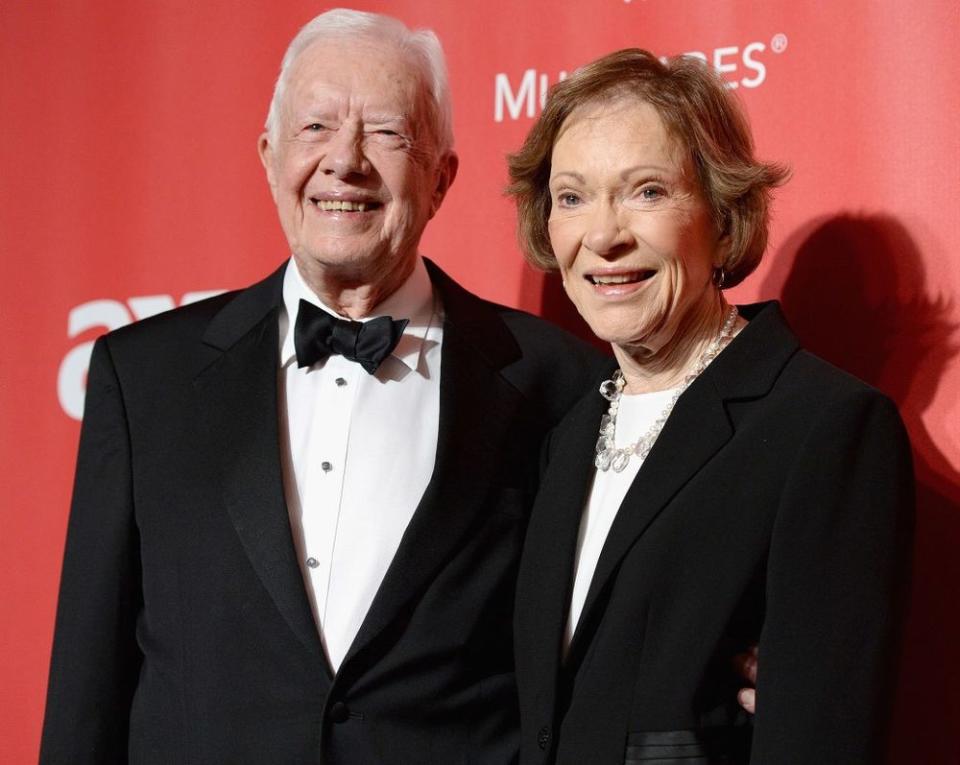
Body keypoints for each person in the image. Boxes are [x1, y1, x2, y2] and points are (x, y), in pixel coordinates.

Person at [38, 10, 608, 764]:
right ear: (270, 157)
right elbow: (90, 685)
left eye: (386, 133)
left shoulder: (558, 383)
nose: (346, 161)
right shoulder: (144, 378)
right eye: (314, 128)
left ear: (441, 178)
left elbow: (596, 655)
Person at [508, 49, 914, 764]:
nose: (603, 236)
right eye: (573, 197)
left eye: (647, 192)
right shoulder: (565, 437)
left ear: (724, 217)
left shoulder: (825, 429)